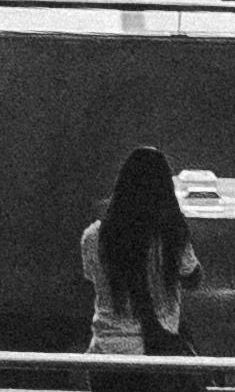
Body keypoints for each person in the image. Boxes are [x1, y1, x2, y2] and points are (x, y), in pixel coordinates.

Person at [81, 144, 197, 358]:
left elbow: (93, 279)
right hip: (154, 358)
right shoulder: (171, 234)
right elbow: (193, 278)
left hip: (105, 355)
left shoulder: (93, 237)